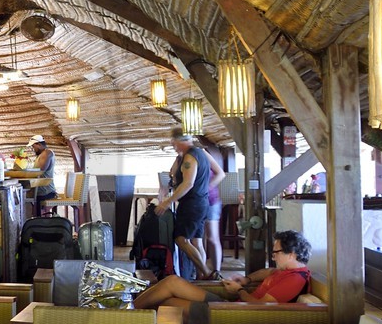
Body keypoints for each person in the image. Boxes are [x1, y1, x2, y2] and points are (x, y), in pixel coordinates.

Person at [133, 229, 312, 311]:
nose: (273, 257)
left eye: (276, 253)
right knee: (172, 282)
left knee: (169, 303)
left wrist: (239, 290)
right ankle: (129, 308)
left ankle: (127, 312)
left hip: (233, 317)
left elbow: (260, 308)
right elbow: (267, 272)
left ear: (292, 254)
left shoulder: (295, 279)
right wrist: (247, 280)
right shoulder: (285, 271)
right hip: (231, 306)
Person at [156, 128, 213, 279]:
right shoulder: (199, 154)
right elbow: (173, 176)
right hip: (201, 202)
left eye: (174, 144)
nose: (174, 147)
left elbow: (188, 184)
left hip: (191, 204)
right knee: (197, 242)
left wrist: (167, 202)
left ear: (182, 141)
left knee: (181, 239)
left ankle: (206, 273)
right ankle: (201, 278)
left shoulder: (190, 157)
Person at [197, 137, 228, 275]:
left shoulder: (202, 153)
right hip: (195, 202)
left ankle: (216, 272)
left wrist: (207, 188)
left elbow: (220, 174)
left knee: (212, 237)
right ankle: (201, 271)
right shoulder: (182, 157)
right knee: (197, 239)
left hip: (211, 200)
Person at [26, 135, 56, 210]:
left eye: (33, 147)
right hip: (40, 191)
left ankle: (37, 219)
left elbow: (38, 172)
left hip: (46, 192)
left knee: (24, 198)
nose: (33, 149)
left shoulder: (47, 153)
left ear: (38, 145)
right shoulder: (40, 155)